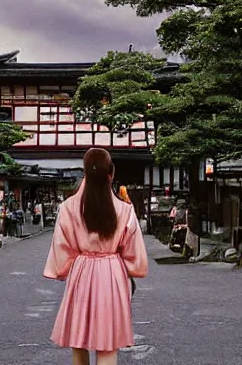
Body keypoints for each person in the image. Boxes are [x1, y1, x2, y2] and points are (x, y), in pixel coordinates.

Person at [44, 148, 148, 365]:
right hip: (112, 273)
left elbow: (62, 248)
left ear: (85, 173)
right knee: (108, 344)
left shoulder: (68, 208)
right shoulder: (124, 210)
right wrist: (129, 267)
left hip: (82, 271)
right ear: (111, 173)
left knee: (78, 340)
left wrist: (63, 268)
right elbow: (134, 255)